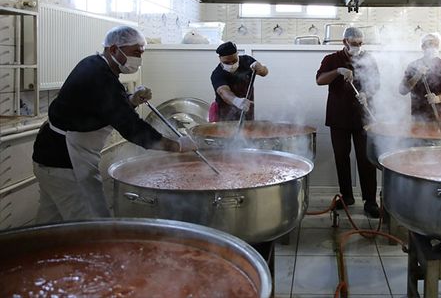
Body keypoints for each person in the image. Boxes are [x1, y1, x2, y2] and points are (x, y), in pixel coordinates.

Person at [32, 26, 198, 223]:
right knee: (91, 227)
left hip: (48, 156)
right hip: (65, 162)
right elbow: (133, 129)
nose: (139, 59)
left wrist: (131, 100)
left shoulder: (93, 64)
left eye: (141, 53)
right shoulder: (100, 77)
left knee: (49, 225)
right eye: (135, 53)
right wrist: (177, 146)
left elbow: (101, 106)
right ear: (113, 49)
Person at [316, 27, 381, 218]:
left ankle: (370, 201)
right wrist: (337, 71)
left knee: (366, 158)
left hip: (363, 117)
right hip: (339, 117)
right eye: (354, 44)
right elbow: (319, 80)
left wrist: (366, 95)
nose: (358, 47)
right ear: (344, 42)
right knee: (341, 157)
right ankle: (346, 196)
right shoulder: (331, 59)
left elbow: (376, 83)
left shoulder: (368, 59)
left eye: (360, 44)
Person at [398, 32, 441, 122]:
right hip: (418, 115)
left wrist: (438, 98)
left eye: (436, 45)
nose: (433, 48)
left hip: (440, 116)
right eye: (430, 44)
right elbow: (402, 90)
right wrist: (417, 75)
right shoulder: (413, 66)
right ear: (423, 47)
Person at [209, 41, 268, 121]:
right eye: (227, 62)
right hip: (225, 114)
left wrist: (260, 68)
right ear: (220, 59)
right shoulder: (217, 74)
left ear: (237, 54)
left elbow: (264, 72)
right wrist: (236, 101)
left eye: (234, 61)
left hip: (248, 110)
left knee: (249, 131)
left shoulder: (247, 61)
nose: (231, 64)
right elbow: (223, 92)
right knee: (227, 131)